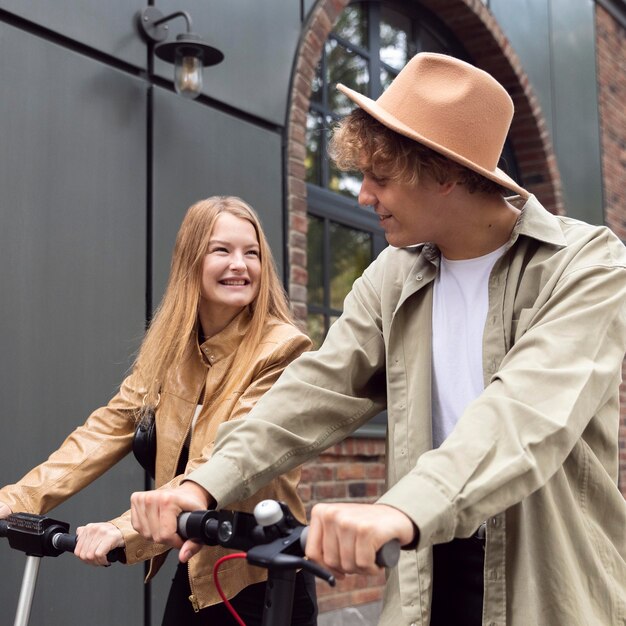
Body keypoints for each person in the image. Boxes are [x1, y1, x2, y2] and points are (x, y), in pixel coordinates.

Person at [129, 53, 626, 626]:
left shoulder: (584, 263)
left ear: (445, 173)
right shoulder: (393, 275)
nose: (363, 196)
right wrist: (203, 484)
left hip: (547, 579)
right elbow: (312, 393)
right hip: (422, 564)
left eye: (380, 177)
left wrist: (399, 508)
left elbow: (527, 411)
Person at [0, 196, 318, 625]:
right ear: (191, 259)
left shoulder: (282, 349)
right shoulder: (171, 349)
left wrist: (122, 528)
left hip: (261, 575)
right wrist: (18, 498)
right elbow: (107, 428)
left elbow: (232, 456)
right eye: (221, 250)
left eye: (252, 253)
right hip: (196, 565)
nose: (240, 265)